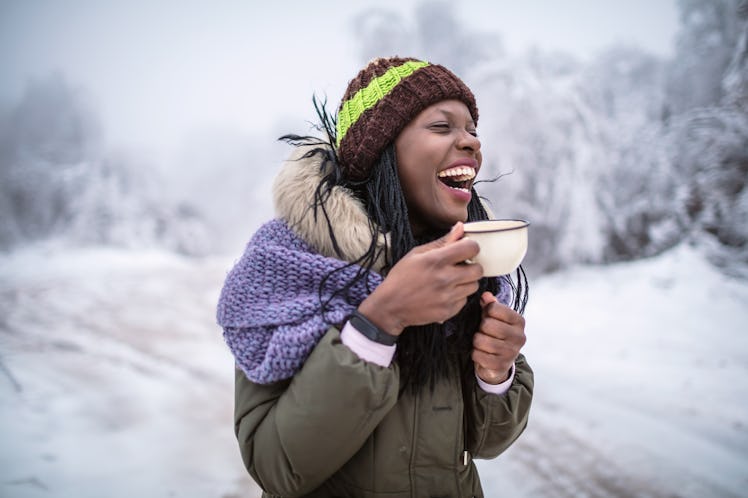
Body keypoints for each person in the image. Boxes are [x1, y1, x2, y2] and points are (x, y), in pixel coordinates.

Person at [217, 56, 533, 498]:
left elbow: (487, 442)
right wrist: (378, 323)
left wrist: (495, 374)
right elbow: (276, 467)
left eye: (473, 131)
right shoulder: (290, 266)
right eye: (442, 127)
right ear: (380, 149)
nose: (471, 143)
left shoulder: (468, 272)